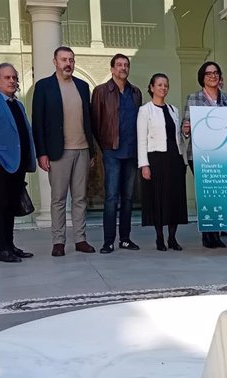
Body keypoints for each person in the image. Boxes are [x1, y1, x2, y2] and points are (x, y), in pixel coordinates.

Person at [32, 46, 96, 257]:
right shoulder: (43, 87)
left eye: (71, 60)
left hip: (83, 149)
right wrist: (41, 152)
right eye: (64, 60)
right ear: (55, 62)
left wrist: (93, 151)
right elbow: (38, 122)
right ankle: (58, 242)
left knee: (80, 198)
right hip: (58, 151)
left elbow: (89, 121)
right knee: (58, 198)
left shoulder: (82, 86)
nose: (68, 64)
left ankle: (80, 239)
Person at [0, 63, 36, 263]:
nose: (12, 81)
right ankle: (3, 249)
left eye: (14, 77)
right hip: (1, 164)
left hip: (18, 163)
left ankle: (10, 246)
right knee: (1, 206)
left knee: (11, 205)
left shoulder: (17, 104)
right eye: (7, 77)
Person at [181, 61, 227, 249]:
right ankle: (207, 235)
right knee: (206, 196)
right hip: (199, 156)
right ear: (202, 78)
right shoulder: (193, 98)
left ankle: (217, 233)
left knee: (220, 195)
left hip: (223, 155)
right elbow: (185, 129)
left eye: (216, 73)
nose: (213, 76)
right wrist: (186, 129)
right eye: (208, 73)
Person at [91, 53, 142, 254]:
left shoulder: (136, 92)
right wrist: (101, 149)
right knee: (111, 197)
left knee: (128, 197)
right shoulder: (101, 91)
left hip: (131, 152)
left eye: (126, 65)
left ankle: (126, 239)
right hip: (111, 151)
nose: (123, 68)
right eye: (119, 65)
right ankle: (108, 241)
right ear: (112, 69)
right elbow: (95, 122)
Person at [137, 73, 188, 251]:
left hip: (174, 158)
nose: (163, 88)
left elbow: (178, 136)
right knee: (158, 198)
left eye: (166, 85)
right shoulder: (145, 110)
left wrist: (185, 133)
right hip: (156, 158)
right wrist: (144, 165)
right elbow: (141, 139)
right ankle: (159, 237)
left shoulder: (174, 110)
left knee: (175, 198)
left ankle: (172, 238)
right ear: (151, 88)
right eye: (159, 85)